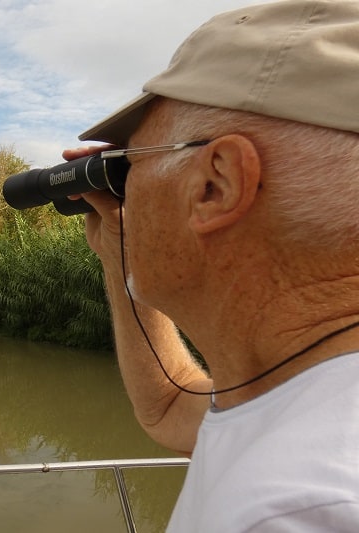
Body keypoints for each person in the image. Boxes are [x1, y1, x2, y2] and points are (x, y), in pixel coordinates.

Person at [66, 1, 359, 531]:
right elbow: (169, 405)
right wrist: (119, 252)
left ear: (214, 185)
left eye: (130, 163)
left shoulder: (294, 511)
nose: (125, 186)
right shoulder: (304, 395)